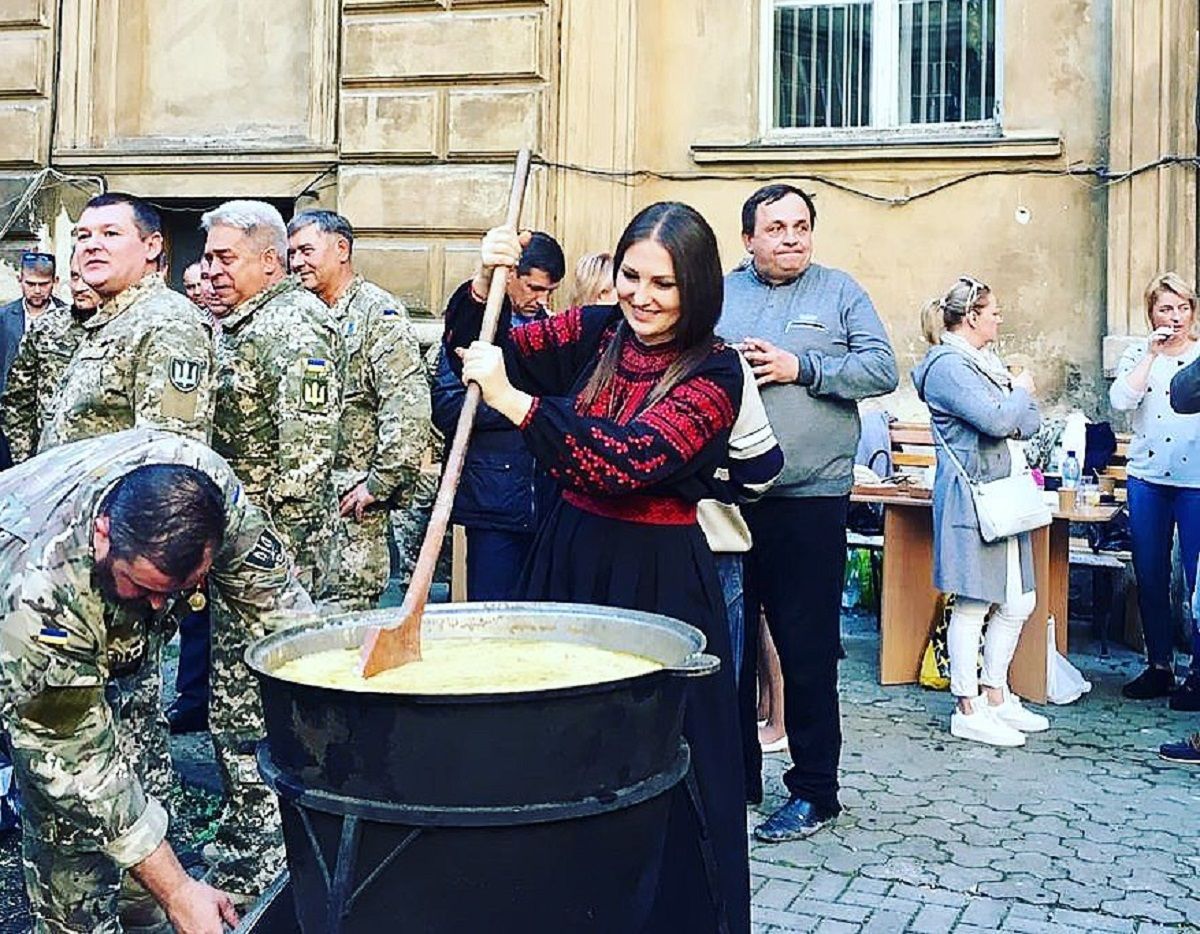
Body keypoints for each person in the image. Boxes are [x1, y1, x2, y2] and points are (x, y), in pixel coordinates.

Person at [446, 203, 750, 934]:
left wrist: (518, 405)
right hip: (567, 557)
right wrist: (487, 287)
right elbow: (486, 347)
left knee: (662, 767)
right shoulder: (597, 330)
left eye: (663, 284)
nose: (641, 296)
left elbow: (627, 462)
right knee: (554, 751)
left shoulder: (716, 371)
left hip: (658, 584)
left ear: (698, 287)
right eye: (631, 276)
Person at [0, 428, 314, 934]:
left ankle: (144, 913)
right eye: (144, 586)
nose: (158, 605)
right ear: (104, 533)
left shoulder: (204, 490)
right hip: (25, 645)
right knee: (72, 843)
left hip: (85, 615)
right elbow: (75, 764)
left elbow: (282, 611)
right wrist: (178, 890)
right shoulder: (36, 596)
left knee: (139, 785)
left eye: (178, 591)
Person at [719, 183, 898, 840]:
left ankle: (815, 791)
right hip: (729, 502)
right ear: (749, 239)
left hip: (811, 501)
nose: (791, 238)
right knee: (729, 648)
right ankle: (733, 779)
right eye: (776, 228)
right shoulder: (721, 295)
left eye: (800, 226)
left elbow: (882, 369)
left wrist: (804, 367)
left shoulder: (840, 292)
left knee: (807, 651)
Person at [201, 198, 344, 899]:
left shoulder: (294, 327)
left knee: (250, 711)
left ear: (269, 260)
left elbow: (306, 461)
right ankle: (248, 837)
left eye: (225, 258)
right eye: (207, 257)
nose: (211, 270)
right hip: (238, 554)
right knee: (235, 709)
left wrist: (262, 562)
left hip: (267, 561)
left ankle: (262, 862)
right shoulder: (245, 325)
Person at [911, 276, 1050, 746]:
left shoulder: (982, 363)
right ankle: (967, 706)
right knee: (974, 600)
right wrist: (1020, 390)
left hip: (1004, 493)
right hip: (972, 497)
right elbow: (998, 420)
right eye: (993, 312)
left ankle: (996, 692)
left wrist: (1015, 404)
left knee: (1018, 600)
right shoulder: (949, 366)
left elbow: (1027, 423)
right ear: (971, 317)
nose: (999, 319)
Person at [287, 209, 432, 609]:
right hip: (301, 509)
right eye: (291, 253)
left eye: (306, 251)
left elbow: (406, 405)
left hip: (349, 512)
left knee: (344, 621)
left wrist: (379, 483)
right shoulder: (297, 313)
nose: (296, 262)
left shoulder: (377, 314)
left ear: (342, 249)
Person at [432, 230, 565, 600]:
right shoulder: (471, 328)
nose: (542, 300)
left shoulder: (554, 330)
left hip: (544, 503)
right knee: (492, 610)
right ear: (510, 276)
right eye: (534, 288)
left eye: (550, 291)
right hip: (492, 500)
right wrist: (516, 403)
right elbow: (448, 407)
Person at [40, 192, 215, 452]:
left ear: (152, 246)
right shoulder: (114, 318)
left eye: (110, 233)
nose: (91, 246)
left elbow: (171, 451)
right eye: (83, 236)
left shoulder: (169, 322)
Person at [1109, 272, 1200, 707]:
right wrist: (1150, 354)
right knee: (1150, 573)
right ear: (1151, 314)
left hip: (1195, 481)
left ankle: (1197, 672)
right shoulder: (1137, 355)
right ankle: (1159, 665)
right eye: (1166, 309)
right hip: (1149, 478)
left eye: (1183, 308)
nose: (1176, 317)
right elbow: (1121, 400)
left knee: (1197, 580)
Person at [1, 254, 101, 464]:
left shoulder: (123, 329)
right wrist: (23, 460)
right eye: (75, 277)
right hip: (41, 448)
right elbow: (18, 400)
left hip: (94, 453)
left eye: (43, 284)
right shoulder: (45, 327)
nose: (37, 290)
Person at [0, 251, 64, 396]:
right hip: (12, 403)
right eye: (30, 284)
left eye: (43, 284)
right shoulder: (3, 318)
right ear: (20, 280)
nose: (37, 290)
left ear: (55, 281)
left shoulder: (70, 317)